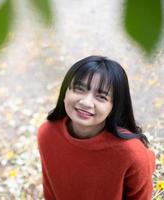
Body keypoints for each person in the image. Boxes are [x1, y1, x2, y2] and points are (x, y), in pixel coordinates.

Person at [37, 56, 156, 200]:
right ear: (65, 92)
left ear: (115, 106)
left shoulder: (132, 154)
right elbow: (50, 190)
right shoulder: (47, 134)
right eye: (79, 89)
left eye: (101, 97)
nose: (86, 102)